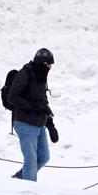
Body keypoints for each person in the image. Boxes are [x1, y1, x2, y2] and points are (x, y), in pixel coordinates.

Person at [7, 47, 59, 181]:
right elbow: (12, 97)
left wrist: (51, 125)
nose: (50, 67)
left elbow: (43, 103)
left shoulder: (41, 77)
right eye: (48, 64)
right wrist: (32, 107)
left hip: (39, 124)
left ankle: (17, 180)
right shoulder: (25, 74)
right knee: (31, 161)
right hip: (24, 123)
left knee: (43, 157)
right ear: (41, 63)